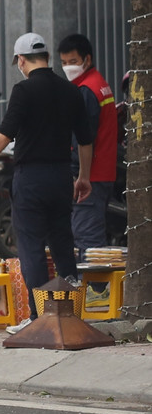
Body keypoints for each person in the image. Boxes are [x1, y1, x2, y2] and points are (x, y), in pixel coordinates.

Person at [0, 32, 93, 334]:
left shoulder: (23, 90)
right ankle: (70, 312)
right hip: (62, 176)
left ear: (21, 60)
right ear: (47, 57)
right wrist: (83, 176)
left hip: (31, 179)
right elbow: (86, 140)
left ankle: (39, 318)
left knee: (32, 246)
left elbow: (5, 132)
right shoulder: (71, 91)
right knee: (63, 241)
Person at [57, 34, 118, 266]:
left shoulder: (87, 90)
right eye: (63, 62)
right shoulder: (99, 84)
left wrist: (76, 174)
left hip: (90, 176)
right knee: (89, 234)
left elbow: (83, 137)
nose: (67, 67)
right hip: (102, 171)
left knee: (86, 236)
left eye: (72, 61)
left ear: (87, 59)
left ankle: (95, 290)